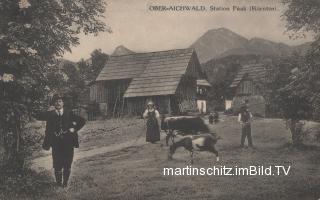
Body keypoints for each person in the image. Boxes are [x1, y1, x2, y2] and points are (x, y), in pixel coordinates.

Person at [34, 94, 85, 187]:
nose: (58, 103)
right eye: (56, 101)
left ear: (63, 103)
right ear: (53, 104)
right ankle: (58, 183)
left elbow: (82, 121)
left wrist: (74, 129)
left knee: (67, 162)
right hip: (55, 143)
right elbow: (37, 115)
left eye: (60, 101)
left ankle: (65, 183)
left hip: (68, 142)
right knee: (57, 163)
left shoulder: (69, 113)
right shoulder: (50, 114)